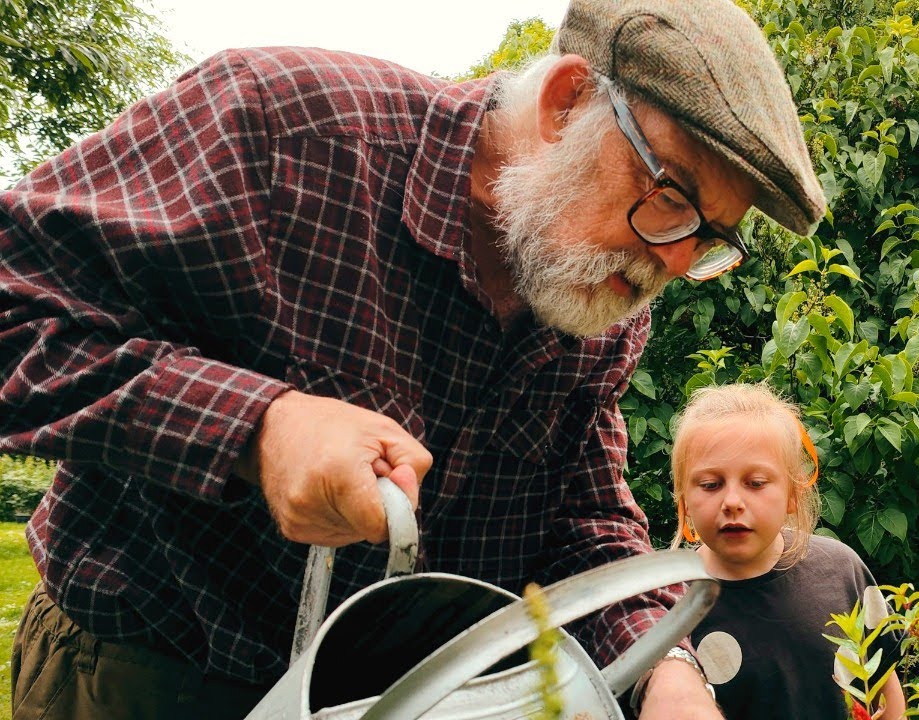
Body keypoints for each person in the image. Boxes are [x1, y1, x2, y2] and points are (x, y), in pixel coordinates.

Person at [0, 0, 829, 717]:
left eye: (710, 236)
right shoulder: (282, 127)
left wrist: (664, 671)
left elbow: (582, 523)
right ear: (566, 101)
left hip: (406, 700)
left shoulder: (600, 302)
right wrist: (259, 427)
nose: (677, 263)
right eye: (673, 196)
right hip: (142, 679)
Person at [667, 384, 907, 719]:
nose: (732, 502)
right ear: (685, 500)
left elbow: (887, 696)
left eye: (756, 483)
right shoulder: (669, 604)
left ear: (792, 493)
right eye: (710, 484)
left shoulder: (841, 570)